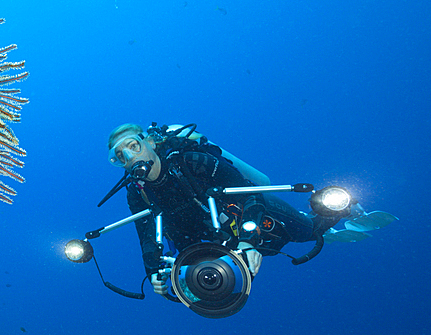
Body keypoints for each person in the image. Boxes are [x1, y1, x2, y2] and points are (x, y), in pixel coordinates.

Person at [107, 123, 341, 295]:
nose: (129, 156)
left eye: (133, 146)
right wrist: (153, 271)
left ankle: (337, 209)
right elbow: (146, 234)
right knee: (200, 288)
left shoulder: (191, 160)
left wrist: (248, 239)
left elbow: (249, 193)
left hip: (248, 216)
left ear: (150, 142)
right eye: (120, 156)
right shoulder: (137, 192)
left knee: (307, 232)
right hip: (206, 240)